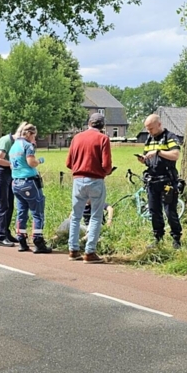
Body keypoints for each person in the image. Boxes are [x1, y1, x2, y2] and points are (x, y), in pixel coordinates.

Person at [66, 112, 114, 263]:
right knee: (96, 216)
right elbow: (106, 165)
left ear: (89, 123)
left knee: (75, 216)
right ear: (102, 126)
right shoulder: (103, 139)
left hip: (78, 180)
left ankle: (73, 250)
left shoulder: (77, 138)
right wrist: (105, 172)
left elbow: (68, 163)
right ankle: (90, 252)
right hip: (96, 180)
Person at [140, 114, 183, 249]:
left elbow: (175, 155)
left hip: (167, 181)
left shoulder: (170, 137)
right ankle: (158, 238)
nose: (149, 131)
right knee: (154, 211)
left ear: (159, 124)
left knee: (170, 211)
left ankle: (176, 239)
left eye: (151, 128)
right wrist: (144, 160)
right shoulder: (149, 139)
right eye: (147, 129)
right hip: (152, 181)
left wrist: (159, 152)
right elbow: (149, 158)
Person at [9, 123, 51, 254]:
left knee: (21, 212)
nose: (35, 139)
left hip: (16, 183)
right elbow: (31, 162)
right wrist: (40, 161)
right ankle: (38, 241)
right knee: (37, 212)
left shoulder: (13, 146)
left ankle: (21, 240)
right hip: (29, 183)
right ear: (29, 134)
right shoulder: (27, 146)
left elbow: (12, 165)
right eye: (34, 136)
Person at [0, 126, 19, 247]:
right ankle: (1, 237)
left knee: (10, 204)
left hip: (8, 173)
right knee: (3, 204)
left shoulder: (13, 142)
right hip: (1, 172)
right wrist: (12, 164)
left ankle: (6, 233)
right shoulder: (6, 141)